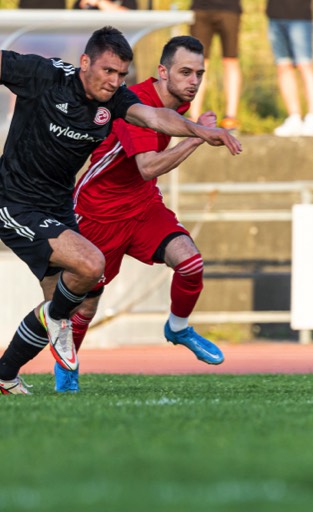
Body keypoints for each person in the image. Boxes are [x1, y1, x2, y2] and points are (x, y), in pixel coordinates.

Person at [0, 26, 242, 395]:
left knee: (66, 302)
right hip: (15, 201)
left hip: (59, 206)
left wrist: (200, 131)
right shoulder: (42, 75)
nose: (114, 82)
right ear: (85, 63)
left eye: (120, 75)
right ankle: (60, 340)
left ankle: (5, 375)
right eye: (107, 71)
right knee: (89, 268)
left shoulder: (115, 100)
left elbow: (155, 118)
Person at [53, 35, 224, 392]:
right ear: (162, 72)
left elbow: (146, 177)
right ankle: (66, 374)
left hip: (143, 206)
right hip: (99, 213)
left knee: (190, 263)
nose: (193, 81)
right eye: (185, 72)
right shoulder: (135, 104)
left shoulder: (174, 105)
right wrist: (198, 136)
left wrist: (197, 126)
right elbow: (148, 166)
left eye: (199, 74)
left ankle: (177, 328)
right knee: (84, 308)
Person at [266, 0, 313, 137]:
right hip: (274, 15)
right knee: (283, 65)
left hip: (300, 16)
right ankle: (294, 117)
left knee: (305, 65)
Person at [189, 0, 242, 131]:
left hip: (230, 9)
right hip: (200, 10)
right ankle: (193, 115)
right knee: (198, 63)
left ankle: (231, 116)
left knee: (231, 61)